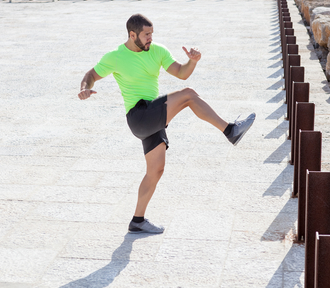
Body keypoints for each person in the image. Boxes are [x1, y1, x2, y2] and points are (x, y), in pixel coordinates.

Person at [78, 14, 255, 234]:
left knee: (156, 171)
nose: (150, 38)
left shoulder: (158, 51)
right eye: (146, 35)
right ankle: (230, 130)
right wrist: (85, 88)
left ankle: (137, 220)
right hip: (139, 115)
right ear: (132, 35)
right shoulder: (116, 56)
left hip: (153, 115)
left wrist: (193, 61)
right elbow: (91, 75)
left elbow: (181, 73)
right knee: (188, 95)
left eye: (152, 33)